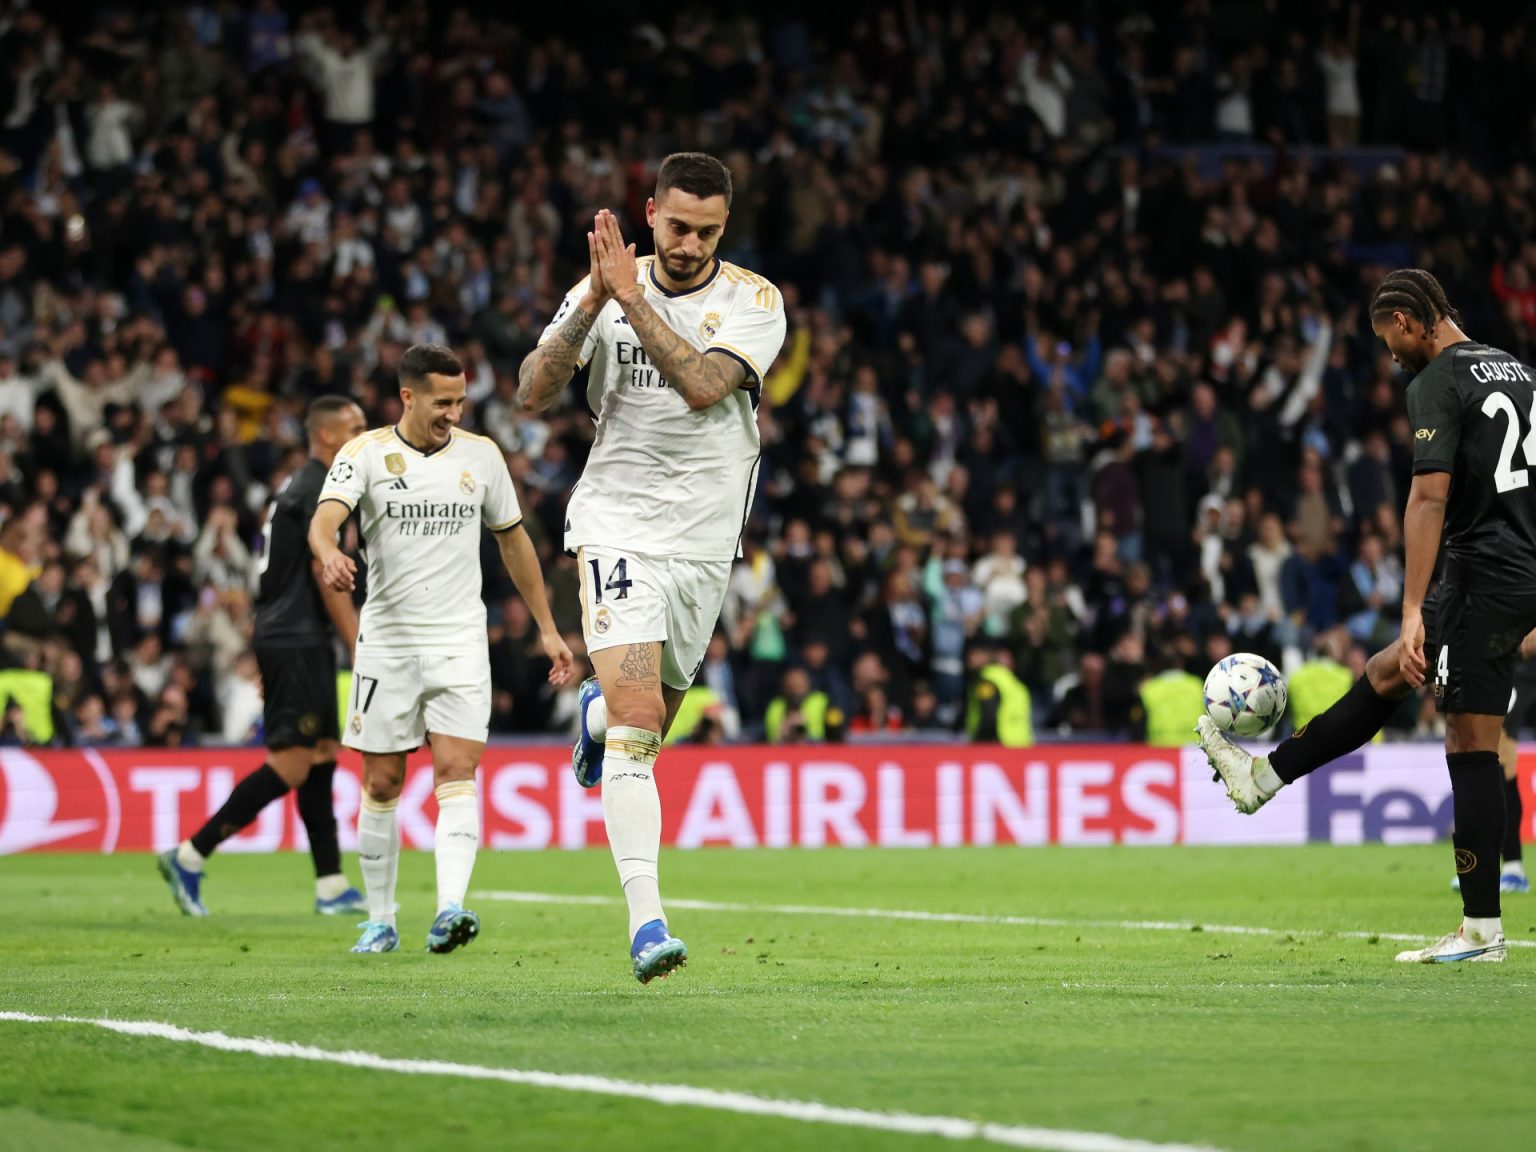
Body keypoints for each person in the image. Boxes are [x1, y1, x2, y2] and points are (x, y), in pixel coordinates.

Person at [1198, 268, 1536, 963]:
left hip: (1480, 575)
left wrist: (1412, 609)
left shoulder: (1437, 380)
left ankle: (1481, 931)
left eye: (1390, 340)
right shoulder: (1521, 373)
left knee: (1470, 742)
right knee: (1387, 673)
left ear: (1409, 322)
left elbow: (1428, 499)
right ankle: (1261, 780)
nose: (1391, 355)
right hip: (1512, 570)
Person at [517, 153, 787, 983]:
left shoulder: (755, 301)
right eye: (676, 227)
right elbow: (532, 390)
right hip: (618, 523)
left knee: (642, 725)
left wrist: (629, 298)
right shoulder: (604, 288)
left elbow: (705, 385)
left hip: (705, 541)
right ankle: (647, 924)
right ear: (650, 212)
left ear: (724, 227)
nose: (688, 244)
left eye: (706, 231)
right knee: (640, 730)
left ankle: (594, 719)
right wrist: (591, 303)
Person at [310, 344, 574, 955]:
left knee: (457, 770)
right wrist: (329, 554)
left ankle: (450, 909)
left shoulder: (482, 456)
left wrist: (546, 626)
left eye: (460, 402)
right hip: (389, 643)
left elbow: (514, 542)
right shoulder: (364, 453)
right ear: (408, 396)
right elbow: (324, 522)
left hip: (460, 640)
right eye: (443, 402)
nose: (454, 413)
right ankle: (380, 919)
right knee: (382, 781)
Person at [158, 396, 369, 917]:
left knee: (322, 753)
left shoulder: (298, 484)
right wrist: (359, 646)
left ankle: (330, 884)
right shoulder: (322, 486)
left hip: (294, 633)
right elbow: (326, 573)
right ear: (326, 435)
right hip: (296, 636)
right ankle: (189, 854)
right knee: (293, 761)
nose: (364, 437)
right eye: (355, 428)